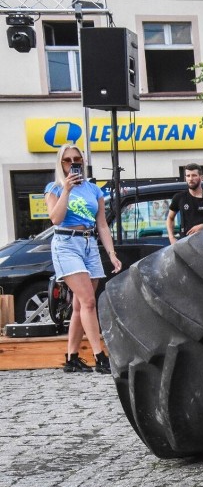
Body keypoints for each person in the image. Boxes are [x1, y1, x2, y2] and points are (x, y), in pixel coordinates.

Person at [44, 143, 122, 374]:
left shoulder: (93, 190)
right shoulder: (55, 188)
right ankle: (100, 356)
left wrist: (111, 253)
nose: (72, 164)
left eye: (76, 159)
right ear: (60, 164)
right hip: (66, 243)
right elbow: (55, 219)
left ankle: (72, 358)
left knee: (80, 304)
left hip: (89, 243)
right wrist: (66, 190)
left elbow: (102, 224)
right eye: (67, 160)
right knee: (88, 301)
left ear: (82, 162)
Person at [166, 164, 203, 245]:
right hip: (186, 245)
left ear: (201, 178)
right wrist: (171, 237)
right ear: (185, 178)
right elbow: (170, 218)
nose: (191, 179)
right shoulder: (179, 197)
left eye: (194, 175)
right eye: (188, 176)